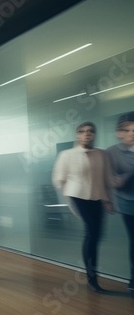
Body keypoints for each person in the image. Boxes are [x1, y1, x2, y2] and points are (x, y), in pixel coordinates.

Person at [52, 122, 115, 293]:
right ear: (77, 135)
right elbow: (58, 179)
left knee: (95, 235)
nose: (87, 134)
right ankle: (92, 278)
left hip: (98, 197)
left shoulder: (102, 154)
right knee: (91, 232)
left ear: (94, 134)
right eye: (82, 131)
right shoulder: (67, 154)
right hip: (77, 196)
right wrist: (68, 195)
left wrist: (109, 200)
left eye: (90, 131)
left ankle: (91, 275)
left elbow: (107, 179)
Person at [107, 111, 134, 293]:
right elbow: (112, 181)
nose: (132, 133)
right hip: (129, 204)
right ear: (119, 133)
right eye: (127, 130)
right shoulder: (112, 152)